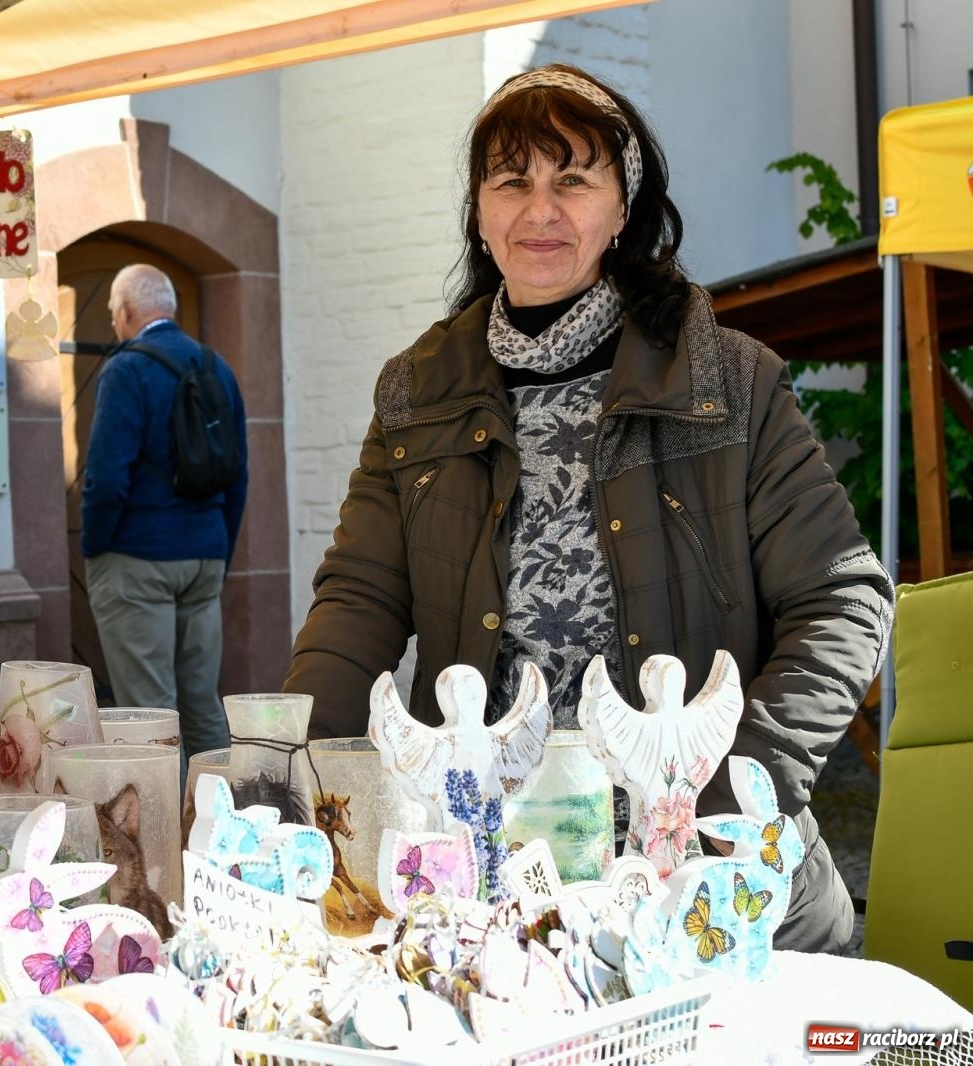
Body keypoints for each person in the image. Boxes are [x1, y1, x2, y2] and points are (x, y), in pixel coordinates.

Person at [282, 64, 891, 954]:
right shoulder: (418, 393)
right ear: (480, 212)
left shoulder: (726, 379)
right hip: (496, 892)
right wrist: (292, 776)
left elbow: (843, 601)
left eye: (573, 180)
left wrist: (730, 797)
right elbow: (358, 606)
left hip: (716, 892)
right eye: (512, 182)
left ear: (622, 209)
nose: (541, 211)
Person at [81, 264, 249, 767]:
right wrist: (219, 549)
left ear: (128, 311)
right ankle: (222, 825)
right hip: (204, 557)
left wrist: (96, 549)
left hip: (137, 558)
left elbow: (106, 476)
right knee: (202, 707)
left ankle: (160, 841)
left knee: (148, 714)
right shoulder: (216, 367)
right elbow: (237, 475)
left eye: (114, 312)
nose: (114, 322)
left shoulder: (126, 369)